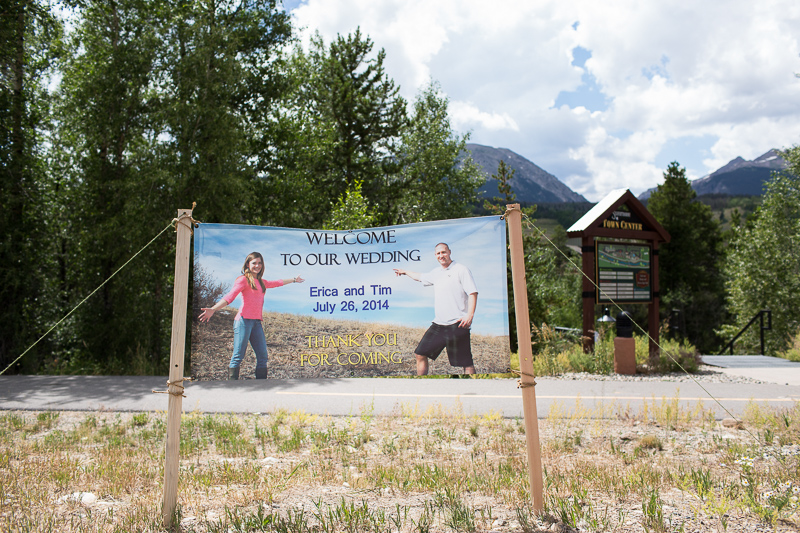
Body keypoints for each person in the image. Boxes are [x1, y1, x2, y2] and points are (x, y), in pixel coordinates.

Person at [199, 252, 304, 380]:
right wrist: (213, 309)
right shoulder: (243, 280)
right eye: (254, 263)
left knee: (263, 356)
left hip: (256, 323)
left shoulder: (261, 282)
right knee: (238, 356)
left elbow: (277, 282)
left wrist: (294, 279)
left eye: (259, 263)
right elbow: (230, 296)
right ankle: (232, 388)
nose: (257, 265)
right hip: (243, 321)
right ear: (248, 265)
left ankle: (261, 386)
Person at [393, 243, 478, 375]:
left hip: (458, 324)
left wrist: (469, 315)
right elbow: (420, 277)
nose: (441, 256)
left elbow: (472, 293)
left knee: (466, 363)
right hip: (439, 324)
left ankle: (475, 389)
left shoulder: (461, 270)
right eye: (438, 253)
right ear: (435, 255)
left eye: (443, 252)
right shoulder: (436, 273)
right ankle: (421, 386)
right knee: (420, 354)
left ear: (449, 252)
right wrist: (405, 272)